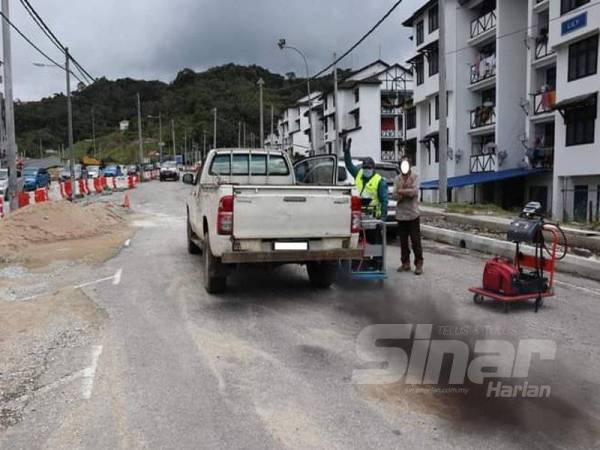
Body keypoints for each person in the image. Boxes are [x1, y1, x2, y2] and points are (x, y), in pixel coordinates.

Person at [342, 138, 388, 222]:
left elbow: (384, 201)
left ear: (373, 168)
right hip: (359, 215)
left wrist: (383, 218)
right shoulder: (358, 174)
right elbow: (349, 165)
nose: (366, 170)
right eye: (365, 168)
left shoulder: (380, 181)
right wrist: (347, 152)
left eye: (369, 168)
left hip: (373, 217)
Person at [394, 157, 423, 275]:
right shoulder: (397, 178)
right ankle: (405, 262)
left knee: (416, 241)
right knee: (403, 241)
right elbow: (394, 195)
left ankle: (419, 263)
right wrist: (403, 191)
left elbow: (414, 192)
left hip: (413, 214)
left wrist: (401, 191)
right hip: (401, 215)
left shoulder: (415, 177)